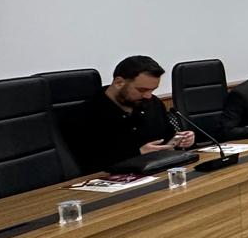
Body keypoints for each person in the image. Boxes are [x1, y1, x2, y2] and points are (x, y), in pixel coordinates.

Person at [62, 55, 195, 174]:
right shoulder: (84, 114)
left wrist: (180, 141)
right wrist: (137, 153)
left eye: (152, 90)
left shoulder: (153, 104)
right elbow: (86, 162)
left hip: (158, 172)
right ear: (119, 83)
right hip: (112, 180)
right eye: (142, 90)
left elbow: (166, 138)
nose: (148, 96)